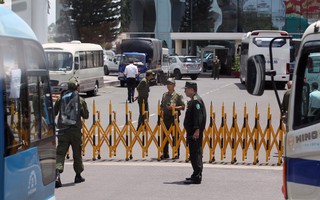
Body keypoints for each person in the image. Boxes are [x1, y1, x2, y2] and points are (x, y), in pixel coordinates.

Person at [54, 77, 89, 188]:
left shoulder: (61, 98)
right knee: (77, 153)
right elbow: (86, 115)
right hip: (75, 131)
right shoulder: (80, 100)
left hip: (62, 131)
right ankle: (78, 175)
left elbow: (54, 112)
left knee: (60, 153)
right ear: (77, 87)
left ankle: (57, 175)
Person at [183, 81, 206, 184]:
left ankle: (197, 177)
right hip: (192, 131)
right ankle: (195, 174)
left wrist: (197, 130)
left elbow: (198, 117)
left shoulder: (196, 101)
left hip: (194, 132)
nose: (185, 91)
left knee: (195, 153)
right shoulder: (193, 100)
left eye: (186, 89)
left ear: (192, 90)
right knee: (194, 153)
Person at [160, 78, 185, 159]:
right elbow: (162, 105)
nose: (168, 86)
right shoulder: (164, 95)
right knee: (164, 136)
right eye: (167, 84)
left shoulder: (177, 96)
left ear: (174, 85)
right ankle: (165, 153)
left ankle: (176, 153)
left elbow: (183, 106)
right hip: (165, 118)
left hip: (174, 118)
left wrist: (173, 108)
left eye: (170, 84)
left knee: (175, 136)